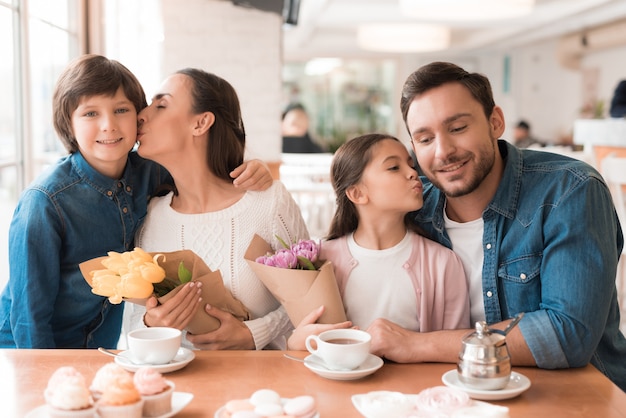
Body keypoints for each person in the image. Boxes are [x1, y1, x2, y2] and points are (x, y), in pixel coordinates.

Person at [366, 61, 626, 392]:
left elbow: (568, 333)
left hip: (573, 397)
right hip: (455, 395)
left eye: (458, 128)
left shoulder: (569, 190)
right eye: (425, 138)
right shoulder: (415, 208)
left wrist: (417, 345)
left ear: (495, 122)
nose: (443, 151)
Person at [0, 55, 272, 349]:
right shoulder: (44, 202)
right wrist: (45, 378)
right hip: (30, 349)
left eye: (121, 110)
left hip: (99, 348)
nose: (109, 125)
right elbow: (29, 317)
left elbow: (200, 168)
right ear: (69, 123)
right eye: (91, 114)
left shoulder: (150, 171)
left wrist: (254, 168)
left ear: (138, 117)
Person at [124, 68, 309, 350]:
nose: (142, 115)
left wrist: (254, 334)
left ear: (201, 123)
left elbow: (310, 298)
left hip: (263, 389)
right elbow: (132, 322)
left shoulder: (269, 202)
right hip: (179, 388)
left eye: (161, 105)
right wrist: (151, 323)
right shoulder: (150, 217)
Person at [287, 133, 470, 349]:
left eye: (411, 165)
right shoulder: (320, 262)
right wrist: (294, 343)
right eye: (394, 167)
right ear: (357, 193)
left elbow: (455, 350)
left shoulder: (443, 263)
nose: (412, 173)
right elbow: (303, 345)